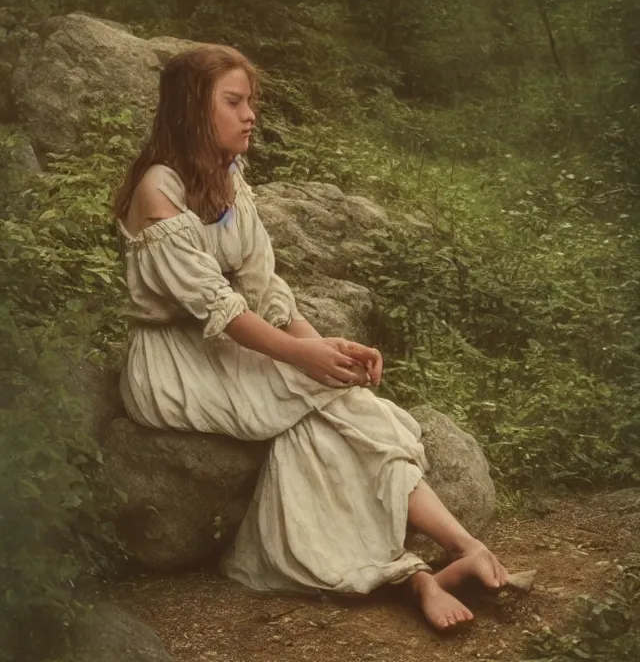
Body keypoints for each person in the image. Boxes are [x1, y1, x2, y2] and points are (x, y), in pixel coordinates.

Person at [113, 44, 508, 631]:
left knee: (322, 415)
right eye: (234, 102)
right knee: (337, 398)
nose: (250, 115)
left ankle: (429, 566)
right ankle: (448, 551)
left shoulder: (227, 175)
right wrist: (306, 357)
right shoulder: (158, 190)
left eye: (251, 102)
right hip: (175, 363)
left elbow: (262, 286)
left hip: (227, 345)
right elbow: (217, 306)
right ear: (193, 110)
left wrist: (325, 347)